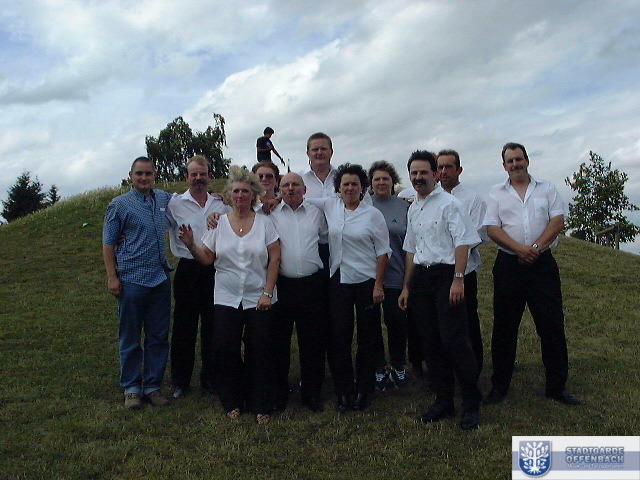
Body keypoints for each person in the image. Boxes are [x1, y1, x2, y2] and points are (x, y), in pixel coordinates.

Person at [178, 166, 280, 424]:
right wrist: (190, 244)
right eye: (236, 191)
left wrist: (268, 292)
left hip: (258, 296)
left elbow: (275, 258)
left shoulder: (265, 223)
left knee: (260, 349)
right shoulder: (219, 223)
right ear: (230, 195)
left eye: (245, 191)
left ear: (253, 194)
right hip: (226, 297)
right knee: (224, 349)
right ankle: (232, 400)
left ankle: (261, 403)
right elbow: (206, 258)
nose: (240, 195)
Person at [483, 142, 579, 406]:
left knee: (551, 325)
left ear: (527, 160)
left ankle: (557, 387)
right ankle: (499, 387)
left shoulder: (546, 188)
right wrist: (519, 249)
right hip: (508, 265)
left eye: (519, 159)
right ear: (504, 166)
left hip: (542, 265)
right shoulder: (496, 193)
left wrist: (535, 248)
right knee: (504, 328)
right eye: (510, 161)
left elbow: (557, 221)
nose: (515, 164)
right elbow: (492, 228)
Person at [398, 150, 482, 430]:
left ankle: (471, 404)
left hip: (447, 276)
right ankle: (443, 401)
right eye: (414, 173)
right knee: (431, 342)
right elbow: (411, 249)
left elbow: (462, 242)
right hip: (422, 278)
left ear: (435, 174)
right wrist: (406, 286)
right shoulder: (414, 208)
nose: (418, 177)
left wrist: (458, 279)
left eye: (424, 172)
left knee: (455, 341)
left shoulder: (450, 204)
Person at [306, 163, 391, 412]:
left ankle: (364, 389)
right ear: (339, 187)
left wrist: (378, 285)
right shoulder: (330, 205)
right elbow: (301, 198)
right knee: (339, 338)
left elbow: (383, 252)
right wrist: (273, 200)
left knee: (367, 337)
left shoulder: (373, 215)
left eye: (355, 184)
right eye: (346, 184)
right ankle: (344, 390)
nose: (350, 188)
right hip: (339, 279)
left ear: (363, 187)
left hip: (366, 281)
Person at [102, 157, 172, 409]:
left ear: (155, 175)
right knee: (130, 336)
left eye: (148, 173)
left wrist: (216, 196)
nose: (144, 178)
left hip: (159, 278)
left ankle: (153, 386)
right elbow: (108, 243)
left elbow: (189, 200)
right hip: (131, 278)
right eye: (139, 173)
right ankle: (131, 388)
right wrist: (112, 277)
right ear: (130, 175)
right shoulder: (119, 205)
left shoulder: (162, 199)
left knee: (158, 336)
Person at [166, 155, 231, 399]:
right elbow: (153, 224)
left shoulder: (221, 204)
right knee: (184, 327)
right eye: (193, 174)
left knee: (212, 326)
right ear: (186, 177)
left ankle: (210, 378)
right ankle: (180, 381)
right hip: (188, 269)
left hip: (214, 269)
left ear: (209, 176)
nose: (198, 178)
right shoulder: (174, 204)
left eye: (202, 174)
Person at [265, 172, 329, 413]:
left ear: (305, 189)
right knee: (278, 342)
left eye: (295, 185)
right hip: (282, 285)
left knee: (313, 342)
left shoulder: (316, 213)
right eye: (286, 185)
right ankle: (279, 393)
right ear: (279, 190)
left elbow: (325, 242)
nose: (290, 189)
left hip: (312, 286)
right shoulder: (268, 214)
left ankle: (312, 394)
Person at [436, 149, 487, 374]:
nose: (444, 171)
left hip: (464, 271)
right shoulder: (431, 197)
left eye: (449, 166)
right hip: (437, 271)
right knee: (442, 322)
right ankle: (445, 369)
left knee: (467, 321)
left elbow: (475, 235)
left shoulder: (472, 200)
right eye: (440, 167)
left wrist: (452, 253)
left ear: (459, 170)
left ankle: (473, 370)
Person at [368, 161, 409, 390]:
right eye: (376, 179)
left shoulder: (404, 207)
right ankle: (378, 367)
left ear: (393, 181)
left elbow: (410, 244)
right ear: (370, 183)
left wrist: (407, 282)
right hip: (369, 276)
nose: (381, 182)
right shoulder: (363, 204)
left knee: (396, 322)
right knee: (371, 325)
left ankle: (398, 365)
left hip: (396, 275)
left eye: (385, 178)